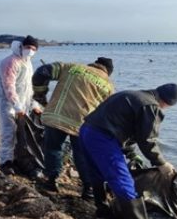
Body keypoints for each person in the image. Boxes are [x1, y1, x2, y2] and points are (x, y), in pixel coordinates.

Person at [79, 84, 177, 219]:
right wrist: (161, 163)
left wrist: (132, 154)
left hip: (86, 130)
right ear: (167, 103)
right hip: (103, 137)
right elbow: (147, 140)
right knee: (123, 180)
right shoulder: (150, 106)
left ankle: (103, 209)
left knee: (97, 172)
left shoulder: (133, 95)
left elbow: (125, 128)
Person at [32, 57, 115, 198]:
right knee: (82, 155)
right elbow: (107, 114)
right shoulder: (108, 86)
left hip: (57, 115)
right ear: (108, 72)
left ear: (94, 64)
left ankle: (51, 181)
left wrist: (40, 95)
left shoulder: (71, 67)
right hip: (82, 124)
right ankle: (88, 188)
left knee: (53, 148)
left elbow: (42, 72)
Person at [0, 35, 41, 175]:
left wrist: (34, 104)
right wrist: (17, 106)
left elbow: (29, 87)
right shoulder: (10, 62)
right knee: (8, 132)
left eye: (34, 49)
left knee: (21, 135)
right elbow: (9, 87)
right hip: (7, 104)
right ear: (22, 46)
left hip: (23, 104)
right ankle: (5, 162)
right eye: (28, 47)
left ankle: (17, 159)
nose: (30, 51)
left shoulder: (27, 62)